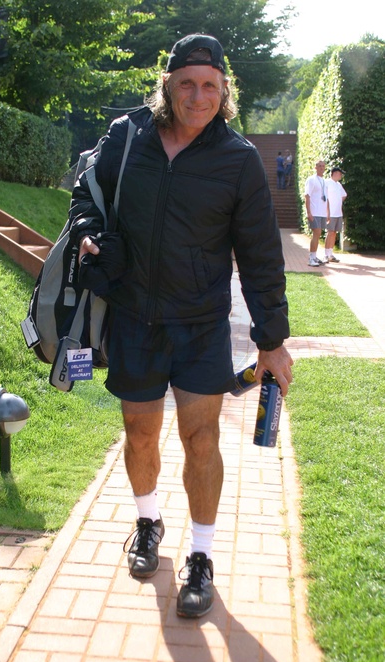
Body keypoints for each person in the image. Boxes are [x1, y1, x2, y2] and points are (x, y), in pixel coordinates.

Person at [69, 33, 293, 619]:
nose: (198, 97)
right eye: (187, 84)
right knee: (139, 433)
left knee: (202, 440)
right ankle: (148, 522)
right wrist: (90, 232)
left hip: (199, 326)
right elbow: (85, 193)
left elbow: (262, 255)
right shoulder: (127, 136)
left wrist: (271, 340)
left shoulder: (239, 160)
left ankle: (201, 556)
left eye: (210, 86)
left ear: (225, 91)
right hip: (134, 319)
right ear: (166, 85)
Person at [305, 160, 328, 266]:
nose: (321, 168)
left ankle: (314, 256)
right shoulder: (311, 180)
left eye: (323, 166)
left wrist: (327, 212)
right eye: (319, 166)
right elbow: (307, 196)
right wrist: (308, 212)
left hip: (322, 212)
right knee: (316, 233)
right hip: (314, 212)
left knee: (318, 234)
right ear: (315, 167)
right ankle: (311, 258)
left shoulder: (324, 181)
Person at [323, 167, 347, 263]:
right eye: (340, 174)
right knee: (329, 232)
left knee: (334, 233)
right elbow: (325, 198)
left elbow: (344, 195)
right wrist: (327, 212)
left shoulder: (338, 184)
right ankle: (325, 255)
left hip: (338, 213)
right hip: (331, 213)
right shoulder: (327, 183)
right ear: (335, 173)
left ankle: (330, 254)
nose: (341, 175)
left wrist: (337, 202)